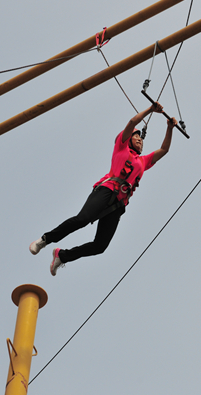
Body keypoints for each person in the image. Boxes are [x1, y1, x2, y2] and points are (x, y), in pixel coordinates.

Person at [29, 103, 176, 276]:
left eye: (141, 139)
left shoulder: (143, 162)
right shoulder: (121, 148)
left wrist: (169, 128)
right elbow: (131, 123)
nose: (139, 140)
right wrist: (150, 110)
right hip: (106, 190)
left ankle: (62, 256)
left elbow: (164, 149)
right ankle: (45, 240)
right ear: (128, 139)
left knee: (100, 246)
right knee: (82, 219)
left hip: (118, 205)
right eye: (136, 137)